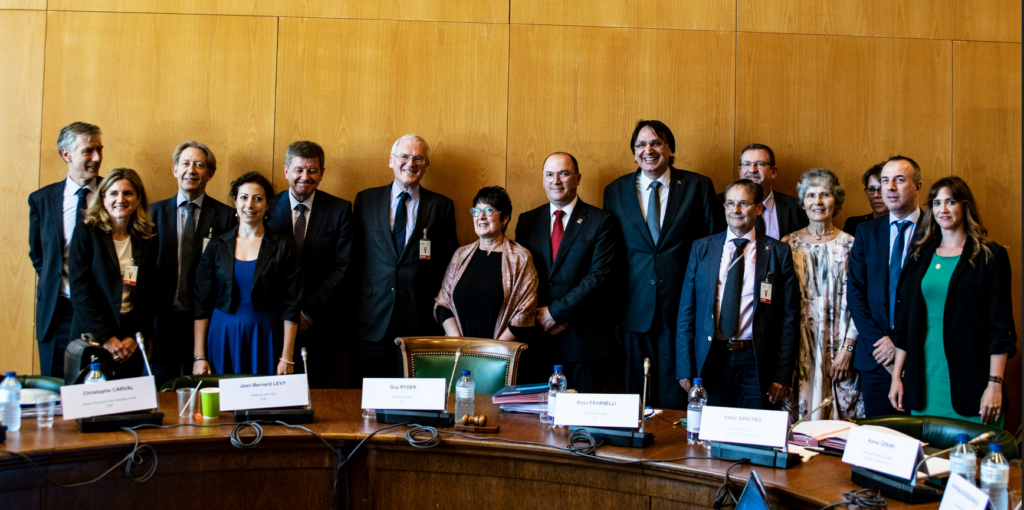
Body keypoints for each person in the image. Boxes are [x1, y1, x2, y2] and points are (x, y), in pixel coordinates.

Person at [603, 120, 721, 410]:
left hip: (680, 308)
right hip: (634, 308)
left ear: (670, 149)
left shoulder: (698, 186)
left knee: (675, 392)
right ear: (633, 153)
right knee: (636, 395)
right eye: (641, 145)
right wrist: (613, 312)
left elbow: (710, 250)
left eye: (656, 143)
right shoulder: (615, 191)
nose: (649, 150)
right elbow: (611, 254)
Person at [889, 177, 1016, 426]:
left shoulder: (990, 255)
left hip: (973, 381)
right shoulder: (919, 255)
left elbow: (1001, 328)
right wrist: (897, 376)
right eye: (937, 203)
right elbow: (906, 323)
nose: (943, 210)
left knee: (971, 462)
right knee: (930, 462)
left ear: (965, 206)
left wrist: (995, 384)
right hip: (924, 379)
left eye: (951, 201)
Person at [676, 179, 799, 410]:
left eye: (743, 203)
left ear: (759, 208)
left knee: (755, 436)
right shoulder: (702, 248)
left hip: (756, 360)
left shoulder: (778, 252)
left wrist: (782, 374)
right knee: (714, 434)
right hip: (712, 359)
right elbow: (686, 312)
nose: (736, 210)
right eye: (730, 203)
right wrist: (685, 367)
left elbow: (789, 318)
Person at [351, 134, 459, 384]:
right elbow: (354, 259)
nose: (411, 163)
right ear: (391, 161)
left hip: (419, 321)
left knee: (415, 400)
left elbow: (448, 266)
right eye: (404, 156)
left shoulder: (442, 206)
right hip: (371, 319)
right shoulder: (366, 200)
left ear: (426, 165)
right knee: (365, 401)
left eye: (418, 158)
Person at [515, 153, 622, 392]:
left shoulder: (601, 221)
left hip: (584, 341)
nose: (556, 180)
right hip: (538, 341)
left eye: (563, 173)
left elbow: (599, 277)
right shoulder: (527, 221)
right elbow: (520, 276)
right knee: (534, 424)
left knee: (580, 424)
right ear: (543, 180)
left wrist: (556, 312)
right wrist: (539, 316)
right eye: (549, 174)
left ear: (577, 178)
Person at [192, 172, 302, 376]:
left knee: (266, 403)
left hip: (267, 336)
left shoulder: (283, 245)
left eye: (257, 198)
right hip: (223, 335)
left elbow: (291, 303)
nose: (249, 205)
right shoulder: (217, 245)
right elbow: (201, 303)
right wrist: (199, 356)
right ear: (235, 202)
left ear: (268, 205)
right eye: (243, 197)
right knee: (223, 404)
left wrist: (287, 356)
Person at [267, 141, 353, 388]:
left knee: (316, 395)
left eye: (312, 170)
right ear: (286, 171)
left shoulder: (340, 210)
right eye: (298, 169)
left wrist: (308, 313)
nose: (305, 176)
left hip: (320, 324)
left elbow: (343, 267)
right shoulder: (267, 208)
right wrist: (288, 314)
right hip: (273, 320)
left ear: (322, 173)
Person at [150, 141, 235, 386]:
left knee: (201, 392)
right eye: (185, 163)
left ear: (210, 173)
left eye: (199, 165)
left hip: (205, 321)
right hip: (161, 323)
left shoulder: (226, 217)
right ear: (175, 169)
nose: (192, 170)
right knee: (160, 391)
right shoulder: (152, 214)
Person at [782, 169, 863, 421]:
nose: (817, 202)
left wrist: (848, 349)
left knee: (841, 418)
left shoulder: (852, 244)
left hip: (840, 342)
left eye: (825, 194)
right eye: (811, 195)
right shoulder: (787, 244)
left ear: (835, 201)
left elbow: (861, 302)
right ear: (802, 202)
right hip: (797, 344)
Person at [848, 155, 923, 417]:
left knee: (921, 445)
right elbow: (855, 293)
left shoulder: (934, 231)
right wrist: (880, 342)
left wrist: (900, 344)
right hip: (875, 357)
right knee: (880, 443)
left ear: (917, 186)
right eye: (884, 181)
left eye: (899, 180)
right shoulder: (866, 231)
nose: (888, 188)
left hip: (919, 356)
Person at [29, 122, 104, 379]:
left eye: (99, 150)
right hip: (57, 311)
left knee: (97, 387)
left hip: (100, 311)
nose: (97, 158)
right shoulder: (42, 199)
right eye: (88, 151)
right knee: (55, 389)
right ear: (66, 154)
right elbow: (38, 253)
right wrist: (56, 281)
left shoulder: (114, 195)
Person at [68, 168, 158, 379]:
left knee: (129, 407)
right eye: (114, 193)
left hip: (130, 339)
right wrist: (107, 338)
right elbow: (80, 289)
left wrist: (134, 337)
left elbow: (151, 292)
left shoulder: (146, 237)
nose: (121, 199)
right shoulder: (86, 231)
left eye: (128, 193)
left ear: (138, 200)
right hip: (94, 335)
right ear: (103, 198)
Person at [435, 186, 538, 341]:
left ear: (505, 218)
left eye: (489, 211)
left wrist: (491, 353)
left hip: (500, 357)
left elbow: (525, 312)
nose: (481, 217)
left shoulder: (520, 258)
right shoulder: (460, 255)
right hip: (459, 353)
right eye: (476, 211)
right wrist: (458, 341)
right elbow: (443, 303)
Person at [716, 144, 808, 239]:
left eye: (760, 164)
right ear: (740, 171)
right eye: (747, 164)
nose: (752, 170)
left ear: (773, 172)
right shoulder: (717, 205)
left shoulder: (796, 208)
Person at [841, 162, 887, 235]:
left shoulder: (906, 225)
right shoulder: (854, 225)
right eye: (871, 189)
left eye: (881, 189)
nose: (876, 195)